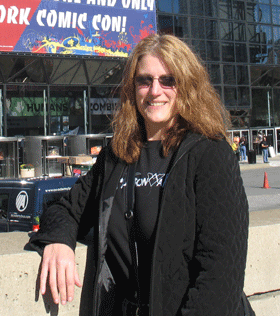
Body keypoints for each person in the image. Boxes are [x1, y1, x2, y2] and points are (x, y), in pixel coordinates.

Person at [29, 34, 250, 316]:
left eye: (168, 80)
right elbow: (66, 208)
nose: (155, 91)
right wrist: (59, 241)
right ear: (132, 89)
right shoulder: (117, 155)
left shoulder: (210, 154)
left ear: (187, 86)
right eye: (144, 80)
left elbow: (220, 274)